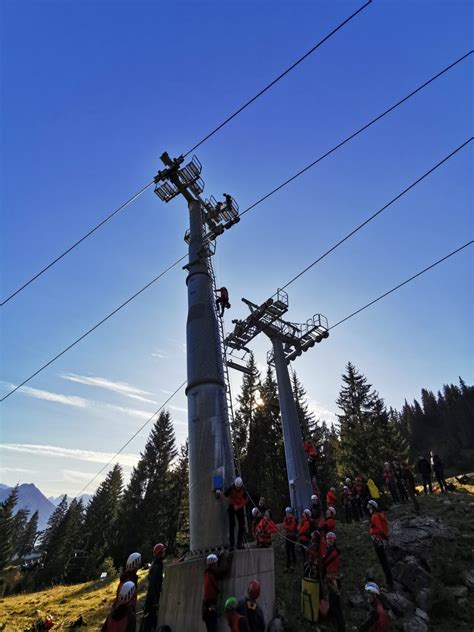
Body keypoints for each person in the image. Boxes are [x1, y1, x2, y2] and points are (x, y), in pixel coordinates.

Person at [202, 552, 232, 632]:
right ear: (213, 564)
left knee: (209, 627)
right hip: (211, 605)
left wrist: (218, 556)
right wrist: (229, 558)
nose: (216, 564)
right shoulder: (214, 573)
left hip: (205, 606)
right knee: (212, 627)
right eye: (215, 563)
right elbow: (225, 569)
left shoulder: (207, 573)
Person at [367, 500, 393, 589]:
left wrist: (371, 531)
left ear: (372, 507)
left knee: (384, 563)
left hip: (378, 541)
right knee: (384, 562)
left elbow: (379, 529)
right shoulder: (377, 515)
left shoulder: (374, 516)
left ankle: (390, 584)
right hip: (380, 540)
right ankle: (389, 583)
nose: (368, 508)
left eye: (369, 507)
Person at [322, 532, 345, 632]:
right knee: (335, 603)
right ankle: (339, 625)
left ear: (331, 540)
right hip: (333, 578)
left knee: (334, 604)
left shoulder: (332, 552)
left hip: (332, 579)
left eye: (327, 539)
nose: (326, 541)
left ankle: (340, 627)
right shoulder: (333, 551)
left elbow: (325, 563)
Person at [140, 543, 166, 632]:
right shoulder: (157, 565)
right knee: (148, 623)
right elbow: (152, 584)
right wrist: (155, 601)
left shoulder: (155, 563)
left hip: (152, 599)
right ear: (159, 553)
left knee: (150, 622)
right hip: (152, 600)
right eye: (162, 552)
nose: (164, 553)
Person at [224, 477, 248, 550]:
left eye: (239, 487)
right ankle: (231, 545)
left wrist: (239, 506)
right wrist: (231, 503)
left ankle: (239, 544)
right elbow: (225, 495)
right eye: (236, 487)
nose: (237, 488)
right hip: (232, 507)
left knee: (242, 525)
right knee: (232, 525)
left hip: (239, 507)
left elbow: (246, 499)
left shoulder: (243, 489)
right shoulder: (231, 488)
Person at [282, 507, 297, 572]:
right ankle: (287, 565)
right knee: (287, 551)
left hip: (292, 536)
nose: (286, 514)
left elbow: (292, 527)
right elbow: (283, 526)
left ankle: (293, 565)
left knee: (292, 550)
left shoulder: (293, 519)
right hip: (287, 536)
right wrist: (288, 528)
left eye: (287, 513)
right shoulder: (285, 519)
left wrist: (287, 528)